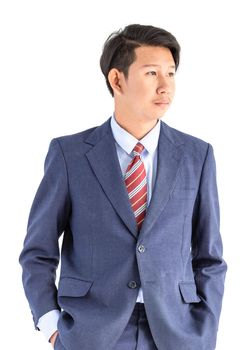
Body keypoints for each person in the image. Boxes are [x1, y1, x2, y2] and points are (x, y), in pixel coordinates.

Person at [19, 24, 227, 350]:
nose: (165, 86)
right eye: (151, 73)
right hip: (90, 334)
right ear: (117, 80)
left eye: (170, 74)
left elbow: (210, 257)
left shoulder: (196, 156)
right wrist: (51, 325)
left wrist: (206, 328)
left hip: (177, 334)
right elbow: (37, 252)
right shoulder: (70, 155)